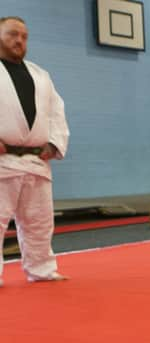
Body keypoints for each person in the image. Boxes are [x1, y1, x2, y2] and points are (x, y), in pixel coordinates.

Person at [0, 16, 70, 287]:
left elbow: (56, 113)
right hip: (3, 160)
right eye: (12, 35)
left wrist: (53, 143)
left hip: (36, 160)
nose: (19, 41)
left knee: (40, 222)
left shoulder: (41, 75)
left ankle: (42, 269)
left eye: (24, 36)